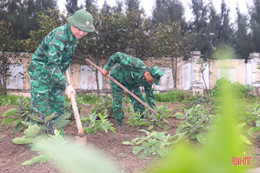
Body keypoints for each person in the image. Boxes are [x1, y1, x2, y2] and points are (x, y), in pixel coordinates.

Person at [27, 9, 95, 133]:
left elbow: (61, 61)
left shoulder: (74, 37)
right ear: (72, 24)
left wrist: (63, 80)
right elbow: (51, 65)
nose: (82, 33)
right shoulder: (59, 36)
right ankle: (35, 141)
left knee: (58, 107)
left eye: (85, 30)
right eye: (79, 29)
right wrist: (66, 85)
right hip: (41, 73)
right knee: (39, 109)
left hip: (56, 73)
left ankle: (57, 138)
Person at [101, 52, 164, 127]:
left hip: (131, 84)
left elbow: (150, 97)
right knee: (117, 101)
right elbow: (117, 55)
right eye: (152, 80)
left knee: (140, 100)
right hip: (117, 78)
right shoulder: (136, 64)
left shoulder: (148, 82)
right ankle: (120, 123)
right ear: (148, 74)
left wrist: (153, 111)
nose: (152, 82)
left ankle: (140, 121)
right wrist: (106, 68)